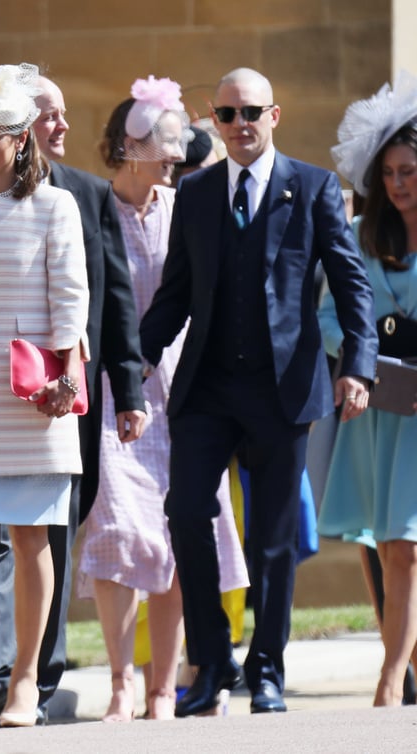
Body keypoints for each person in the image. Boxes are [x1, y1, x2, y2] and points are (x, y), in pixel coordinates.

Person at [139, 67, 378, 717]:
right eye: (226, 115)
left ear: (275, 115)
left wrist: (357, 363)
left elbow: (351, 284)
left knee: (272, 539)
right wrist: (136, 355)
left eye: (251, 112)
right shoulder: (195, 195)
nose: (239, 125)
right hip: (208, 389)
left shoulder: (313, 187)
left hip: (283, 390)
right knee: (186, 510)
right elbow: (176, 294)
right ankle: (212, 660)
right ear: (213, 121)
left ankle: (266, 668)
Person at [0, 72, 146, 724]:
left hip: (31, 392)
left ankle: (25, 680)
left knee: (30, 537)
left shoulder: (57, 207)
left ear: (22, 142)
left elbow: (72, 300)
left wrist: (69, 379)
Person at [77, 77, 249, 722]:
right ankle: (121, 680)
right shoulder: (93, 209)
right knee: (119, 528)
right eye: (166, 139)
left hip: (183, 386)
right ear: (130, 143)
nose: (178, 151)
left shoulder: (187, 209)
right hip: (116, 388)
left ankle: (161, 688)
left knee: (181, 534)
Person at [319, 70, 417, 706]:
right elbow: (329, 316)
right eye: (389, 174)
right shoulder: (360, 238)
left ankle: (389, 681)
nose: (399, 183)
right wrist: (364, 358)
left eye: (408, 170)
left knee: (404, 544)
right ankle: (402, 672)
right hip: (380, 408)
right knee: (385, 546)